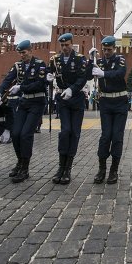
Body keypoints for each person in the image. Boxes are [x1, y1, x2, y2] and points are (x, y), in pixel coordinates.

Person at [0, 40, 51, 183]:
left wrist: (21, 88)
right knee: (16, 133)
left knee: (26, 134)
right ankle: (19, 162)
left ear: (30, 51)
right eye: (20, 53)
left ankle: (25, 168)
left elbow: (40, 84)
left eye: (24, 52)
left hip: (37, 102)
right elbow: (8, 80)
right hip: (24, 102)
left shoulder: (40, 64)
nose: (22, 55)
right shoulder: (18, 66)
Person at [48, 33, 91, 185]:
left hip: (76, 98)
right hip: (63, 100)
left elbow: (83, 77)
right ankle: (60, 167)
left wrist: (72, 89)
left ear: (72, 44)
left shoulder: (79, 59)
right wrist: (48, 77)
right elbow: (49, 71)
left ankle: (68, 168)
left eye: (67, 45)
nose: (65, 48)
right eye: (62, 45)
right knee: (65, 131)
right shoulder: (56, 59)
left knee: (75, 132)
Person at [90, 36, 128, 184]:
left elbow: (121, 73)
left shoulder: (120, 59)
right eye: (104, 49)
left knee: (117, 136)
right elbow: (88, 74)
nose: (106, 52)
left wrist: (104, 74)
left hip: (120, 101)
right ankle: (102, 169)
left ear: (114, 48)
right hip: (105, 101)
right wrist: (90, 59)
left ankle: (114, 170)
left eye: (109, 49)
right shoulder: (98, 62)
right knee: (106, 135)